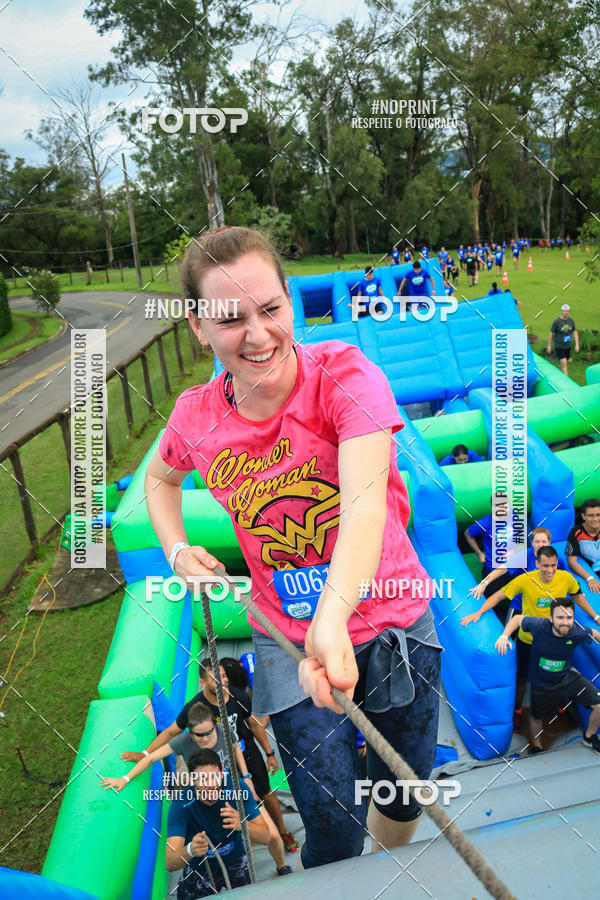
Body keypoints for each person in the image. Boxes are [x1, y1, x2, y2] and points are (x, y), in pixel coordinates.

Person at [147, 226, 443, 867]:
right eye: (230, 319)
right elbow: (159, 478)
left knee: (401, 795)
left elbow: (365, 500)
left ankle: (384, 879)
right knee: (331, 823)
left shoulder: (344, 374)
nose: (257, 335)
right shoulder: (196, 417)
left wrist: (333, 612)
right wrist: (176, 551)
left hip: (392, 620)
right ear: (198, 327)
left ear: (289, 299)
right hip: (284, 639)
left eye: (271, 309)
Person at [121, 658, 298, 858]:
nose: (221, 682)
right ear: (203, 681)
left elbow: (254, 725)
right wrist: (144, 754)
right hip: (218, 769)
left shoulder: (237, 696)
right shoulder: (195, 709)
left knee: (265, 793)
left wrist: (269, 753)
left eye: (223, 676)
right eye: (215, 679)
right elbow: (170, 733)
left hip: (246, 753)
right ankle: (236, 841)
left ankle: (282, 832)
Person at [462, 547, 600, 721]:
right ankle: (518, 709)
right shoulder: (525, 579)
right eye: (545, 566)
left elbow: (578, 596)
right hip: (529, 638)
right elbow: (498, 596)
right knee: (522, 677)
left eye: (553, 565)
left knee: (559, 673)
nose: (550, 570)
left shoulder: (566, 578)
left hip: (556, 638)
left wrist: (595, 616)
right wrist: (479, 612)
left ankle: (561, 707)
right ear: (536, 564)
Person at [495, 599, 600, 754]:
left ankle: (589, 736)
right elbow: (517, 619)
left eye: (569, 618)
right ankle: (537, 745)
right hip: (541, 684)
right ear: (551, 618)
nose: (565, 622)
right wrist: (504, 636)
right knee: (536, 717)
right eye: (560, 618)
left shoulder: (577, 632)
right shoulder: (539, 626)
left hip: (567, 678)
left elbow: (595, 634)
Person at [166, 749, 270, 897]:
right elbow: (170, 862)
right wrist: (190, 850)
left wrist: (242, 824)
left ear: (222, 772)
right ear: (191, 779)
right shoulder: (181, 804)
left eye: (214, 777)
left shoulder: (237, 788)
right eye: (202, 779)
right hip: (199, 867)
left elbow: (266, 837)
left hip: (235, 860)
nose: (210, 785)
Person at [470, 527, 567, 601]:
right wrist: (484, 583)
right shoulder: (524, 556)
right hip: (523, 600)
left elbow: (563, 578)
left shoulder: (557, 558)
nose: (541, 545)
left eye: (544, 542)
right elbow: (502, 569)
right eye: (537, 542)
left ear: (549, 542)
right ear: (532, 543)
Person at [566, 498, 600, 594]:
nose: (595, 519)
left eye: (598, 515)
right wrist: (589, 578)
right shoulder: (576, 533)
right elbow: (571, 561)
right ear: (583, 516)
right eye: (591, 515)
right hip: (593, 570)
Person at [547, 304, 579, 375]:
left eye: (567, 311)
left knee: (563, 364)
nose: (566, 313)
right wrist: (549, 346)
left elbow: (574, 331)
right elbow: (551, 333)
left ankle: (560, 377)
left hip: (568, 346)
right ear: (561, 311)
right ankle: (567, 382)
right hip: (559, 346)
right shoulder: (557, 322)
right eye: (564, 311)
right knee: (564, 364)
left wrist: (577, 344)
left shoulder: (571, 321)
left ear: (569, 312)